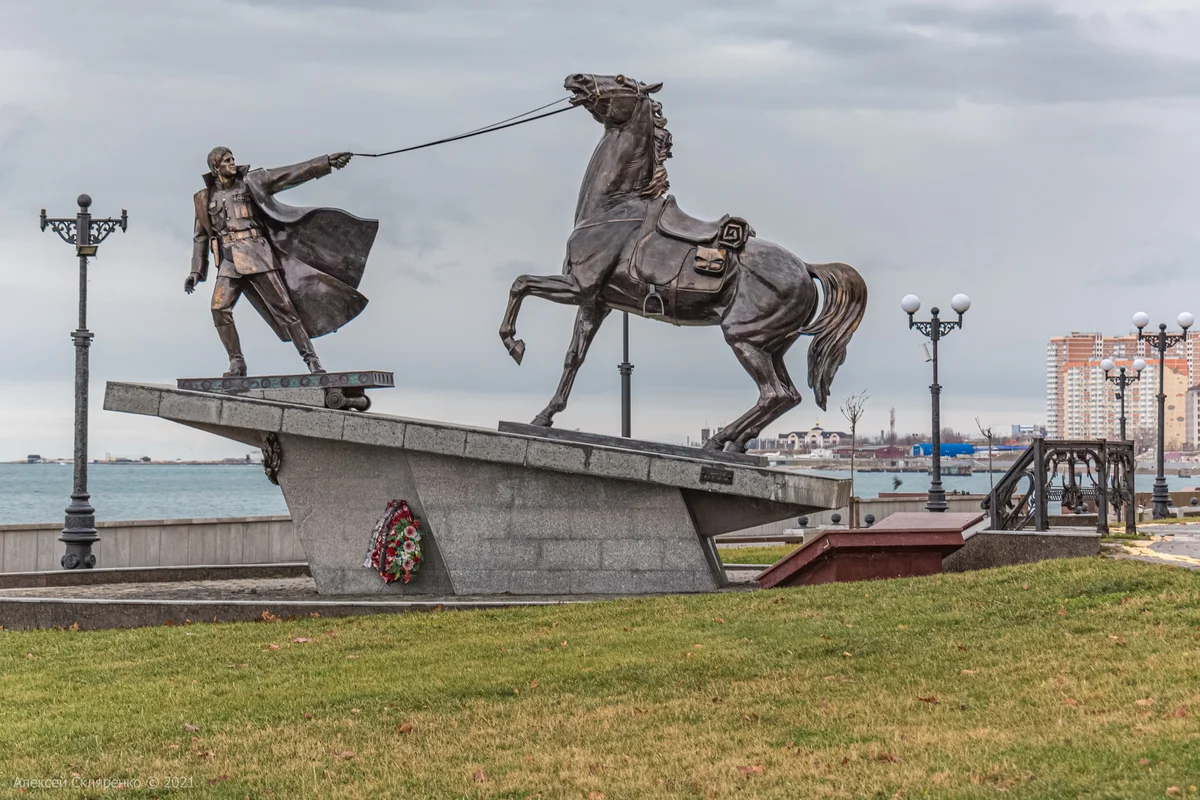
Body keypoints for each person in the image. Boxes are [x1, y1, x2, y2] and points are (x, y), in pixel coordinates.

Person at [186, 147, 377, 376]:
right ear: (216, 168)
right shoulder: (203, 198)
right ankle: (237, 362)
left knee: (284, 309)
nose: (233, 163)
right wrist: (196, 271)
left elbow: (290, 174)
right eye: (227, 161)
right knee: (218, 309)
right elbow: (200, 236)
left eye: (233, 159)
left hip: (257, 255)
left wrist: (326, 162)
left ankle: (312, 360)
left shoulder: (251, 181)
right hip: (228, 261)